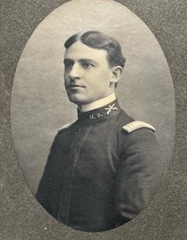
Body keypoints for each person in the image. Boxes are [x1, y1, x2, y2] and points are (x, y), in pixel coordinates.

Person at [36, 31, 163, 232]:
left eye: (86, 65)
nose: (73, 74)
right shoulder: (64, 137)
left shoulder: (136, 139)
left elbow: (135, 227)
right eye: (69, 64)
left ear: (115, 74)